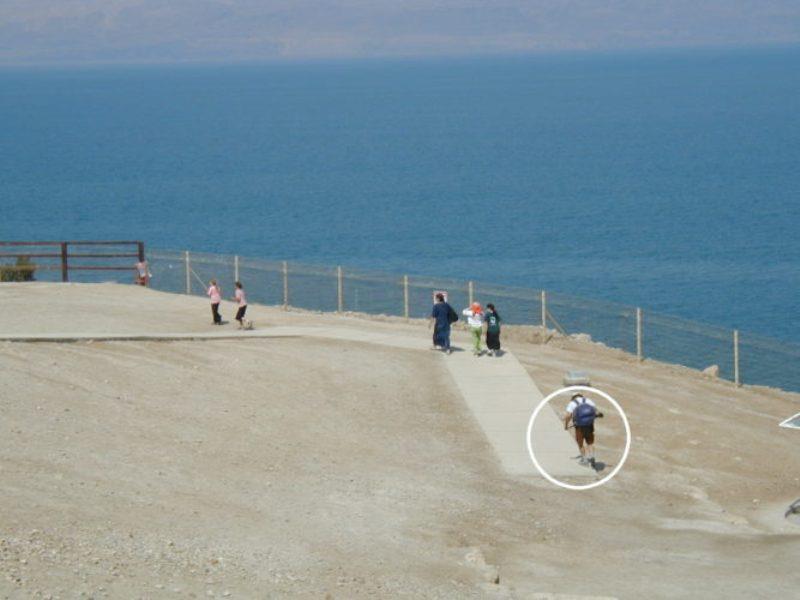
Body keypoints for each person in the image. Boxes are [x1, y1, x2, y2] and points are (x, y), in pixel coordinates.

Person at [564, 392, 603, 467]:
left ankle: (584, 459)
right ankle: (592, 457)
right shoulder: (588, 400)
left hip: (579, 426)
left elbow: (568, 416)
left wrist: (566, 425)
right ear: (581, 396)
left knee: (580, 443)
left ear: (573, 398)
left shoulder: (572, 403)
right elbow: (596, 412)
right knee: (590, 442)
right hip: (589, 425)